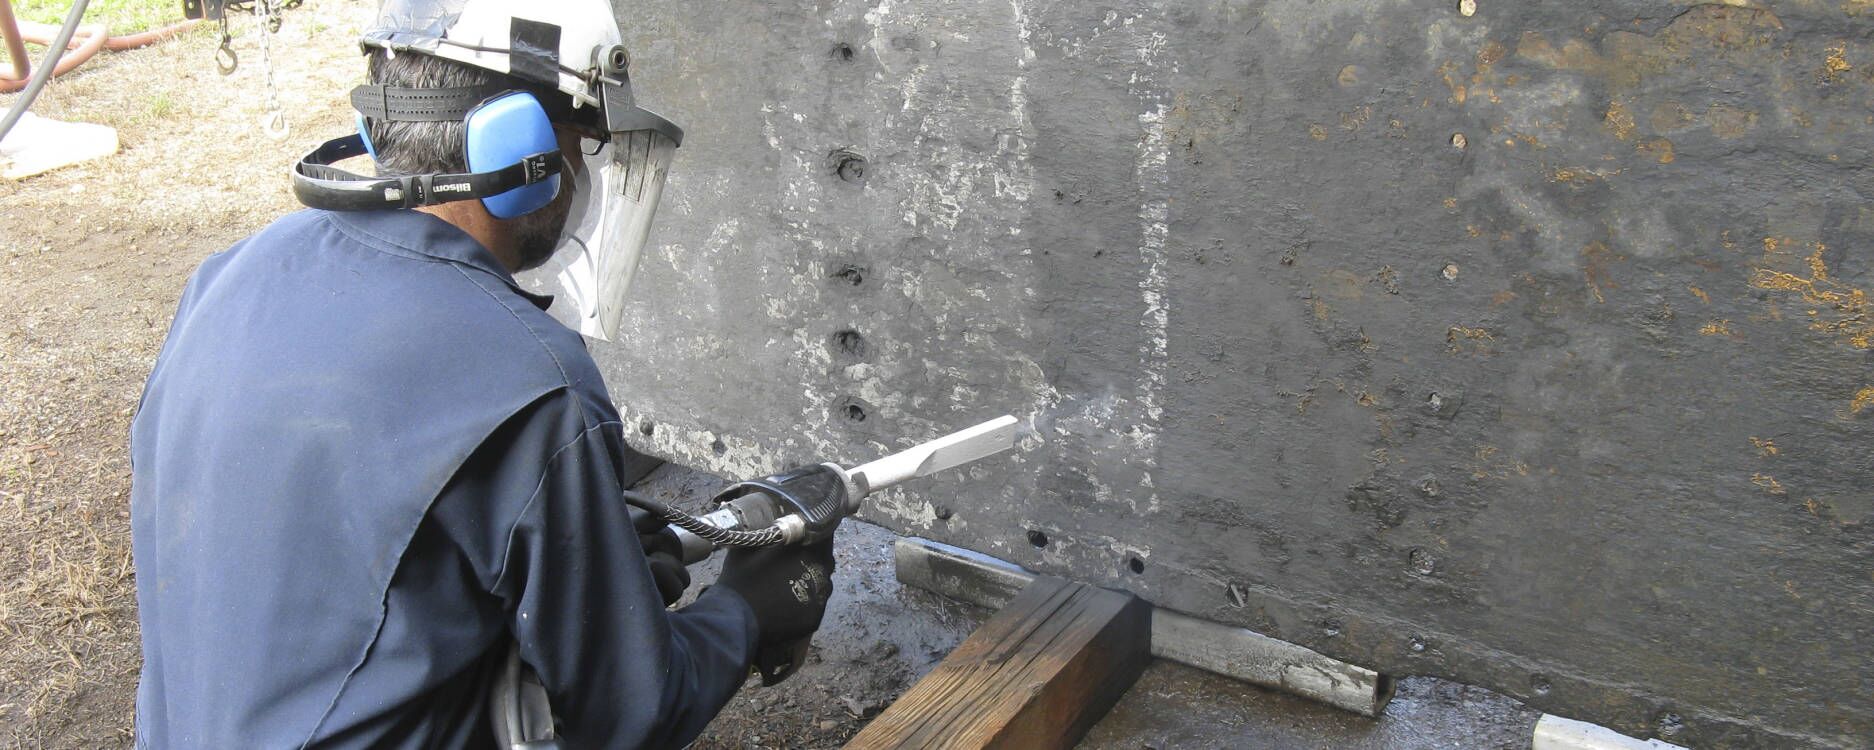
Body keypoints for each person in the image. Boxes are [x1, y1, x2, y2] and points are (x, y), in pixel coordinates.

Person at [127, 0, 837, 746]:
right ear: (523, 149)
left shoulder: (231, 275)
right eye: (579, 145)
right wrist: (749, 609)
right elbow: (632, 713)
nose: (579, 176)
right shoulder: (533, 382)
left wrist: (582, 558)